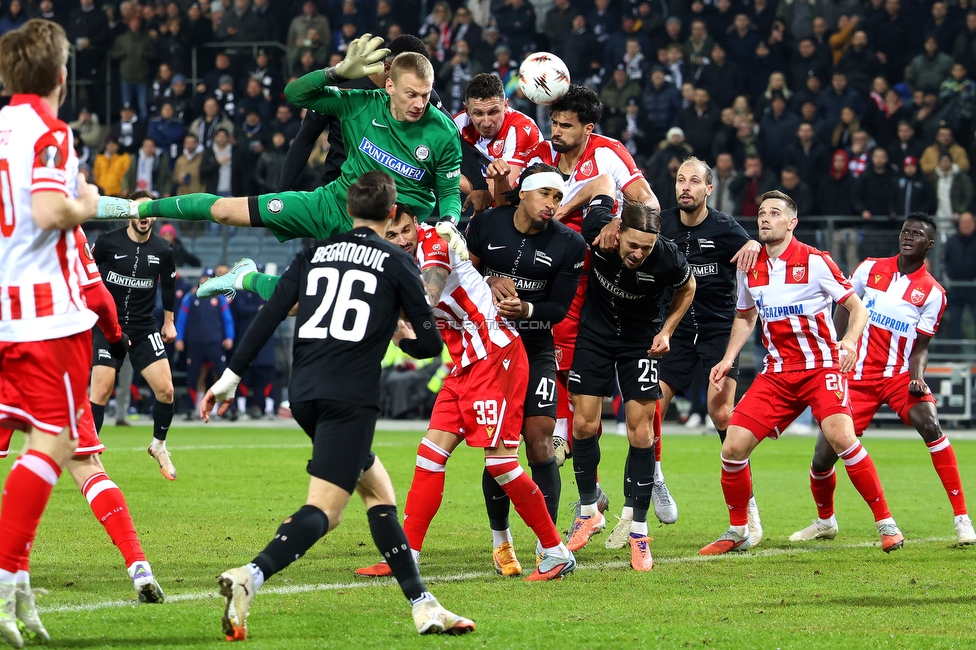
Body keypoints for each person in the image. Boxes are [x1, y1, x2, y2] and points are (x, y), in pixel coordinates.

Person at [198, 171, 473, 640]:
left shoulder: (313, 253)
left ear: (348, 209)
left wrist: (230, 377)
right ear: (391, 214)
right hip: (349, 398)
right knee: (327, 510)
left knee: (379, 492)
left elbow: (270, 314)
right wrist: (400, 333)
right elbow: (430, 343)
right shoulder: (395, 261)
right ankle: (250, 576)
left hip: (303, 391)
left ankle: (423, 605)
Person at [95, 35, 468, 296]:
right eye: (412, 94)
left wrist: (450, 221)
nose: (421, 103)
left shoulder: (441, 130)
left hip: (394, 231)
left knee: (302, 301)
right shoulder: (359, 103)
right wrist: (336, 71)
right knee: (226, 210)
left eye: (425, 94)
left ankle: (247, 279)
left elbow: (449, 190)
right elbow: (294, 95)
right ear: (389, 84)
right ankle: (136, 205)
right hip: (335, 202)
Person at [355, 199, 577, 582]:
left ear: (416, 223)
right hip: (464, 365)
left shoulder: (436, 242)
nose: (402, 239)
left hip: (495, 355)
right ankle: (406, 556)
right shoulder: (387, 262)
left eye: (406, 229)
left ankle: (555, 552)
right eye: (391, 234)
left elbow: (426, 299)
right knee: (429, 455)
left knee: (501, 464)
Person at [489, 86, 660, 523]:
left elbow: (650, 203)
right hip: (556, 272)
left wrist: (618, 220)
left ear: (588, 128)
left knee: (597, 380)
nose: (556, 131)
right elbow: (517, 203)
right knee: (570, 377)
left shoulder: (608, 153)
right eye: (554, 122)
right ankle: (593, 491)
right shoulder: (542, 155)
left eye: (566, 125)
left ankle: (644, 469)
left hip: (599, 277)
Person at [703, 190, 905, 555]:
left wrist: (851, 342)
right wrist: (728, 357)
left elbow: (857, 308)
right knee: (733, 446)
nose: (765, 218)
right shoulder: (750, 265)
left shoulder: (815, 261)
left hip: (820, 367)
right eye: (762, 213)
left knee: (842, 437)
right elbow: (746, 316)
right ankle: (738, 531)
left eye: (775, 213)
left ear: (791, 222)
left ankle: (886, 523)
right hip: (777, 373)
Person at [0, 18, 102, 647]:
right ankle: (8, 574)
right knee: (56, 444)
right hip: (47, 317)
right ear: (63, 75)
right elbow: (46, 211)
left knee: (31, 443)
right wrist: (85, 203)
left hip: (3, 311)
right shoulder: (50, 132)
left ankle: (20, 583)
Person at [790, 214, 976, 547]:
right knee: (821, 459)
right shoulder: (869, 268)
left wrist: (917, 378)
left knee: (930, 424)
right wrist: (839, 343)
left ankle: (962, 519)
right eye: (906, 231)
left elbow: (921, 347)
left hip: (898, 376)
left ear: (929, 245)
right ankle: (825, 521)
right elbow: (846, 305)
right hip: (855, 376)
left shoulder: (933, 293)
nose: (909, 237)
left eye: (917, 234)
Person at [566, 185, 695, 572]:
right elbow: (602, 181)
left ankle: (639, 532)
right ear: (619, 231)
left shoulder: (668, 257)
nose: (639, 254)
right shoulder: (599, 229)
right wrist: (607, 216)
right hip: (595, 335)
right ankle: (590, 510)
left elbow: (688, 288)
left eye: (647, 248)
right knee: (584, 424)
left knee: (642, 434)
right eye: (633, 245)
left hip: (641, 342)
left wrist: (668, 330)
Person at [464, 164, 586, 575]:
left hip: (535, 348)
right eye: (546, 194)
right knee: (499, 448)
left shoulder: (569, 243)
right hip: (490, 350)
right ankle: (502, 542)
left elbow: (559, 308)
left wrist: (527, 309)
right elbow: (462, 277)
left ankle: (546, 542)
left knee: (539, 442)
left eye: (558, 196)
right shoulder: (486, 225)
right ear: (523, 193)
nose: (553, 203)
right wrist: (489, 281)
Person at [645, 158, 762, 542]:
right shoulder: (662, 225)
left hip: (717, 333)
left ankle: (748, 507)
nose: (685, 187)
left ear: (708, 189)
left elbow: (755, 252)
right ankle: (655, 479)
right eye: (680, 180)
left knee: (721, 411)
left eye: (694, 181)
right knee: (648, 410)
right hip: (674, 331)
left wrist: (754, 245)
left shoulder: (726, 228)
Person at [89, 191, 178, 479]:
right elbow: (87, 273)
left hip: (143, 327)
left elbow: (168, 288)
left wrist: (168, 322)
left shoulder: (163, 250)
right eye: (139, 210)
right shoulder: (107, 242)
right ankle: (89, 454)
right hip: (108, 325)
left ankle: (159, 445)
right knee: (101, 390)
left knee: (166, 390)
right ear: (129, 213)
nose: (144, 216)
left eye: (149, 210)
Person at [453, 73, 542, 212]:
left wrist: (443, 174)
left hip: (523, 209)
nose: (487, 122)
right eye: (478, 113)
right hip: (488, 211)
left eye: (493, 112)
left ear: (506, 105)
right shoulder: (457, 125)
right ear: (466, 110)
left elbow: (503, 192)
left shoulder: (523, 129)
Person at [175, 269, 235, 419]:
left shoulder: (219, 298)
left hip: (215, 342)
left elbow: (227, 319)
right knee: (194, 377)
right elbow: (182, 320)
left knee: (221, 376)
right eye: (204, 278)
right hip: (195, 343)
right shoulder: (190, 297)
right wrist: (179, 338)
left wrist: (229, 337)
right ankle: (193, 409)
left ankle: (223, 409)